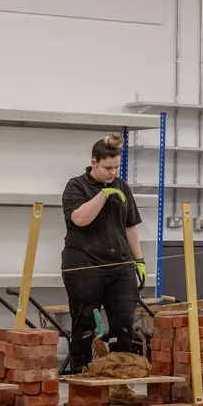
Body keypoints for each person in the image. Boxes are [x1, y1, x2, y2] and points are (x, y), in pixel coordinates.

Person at [61, 136, 146, 373]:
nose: (113, 172)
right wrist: (104, 194)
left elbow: (130, 226)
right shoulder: (76, 186)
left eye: (117, 167)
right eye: (108, 168)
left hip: (120, 267)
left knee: (124, 327)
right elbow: (80, 218)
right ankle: (82, 378)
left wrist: (138, 260)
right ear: (94, 163)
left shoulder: (122, 186)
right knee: (84, 326)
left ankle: (121, 379)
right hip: (84, 268)